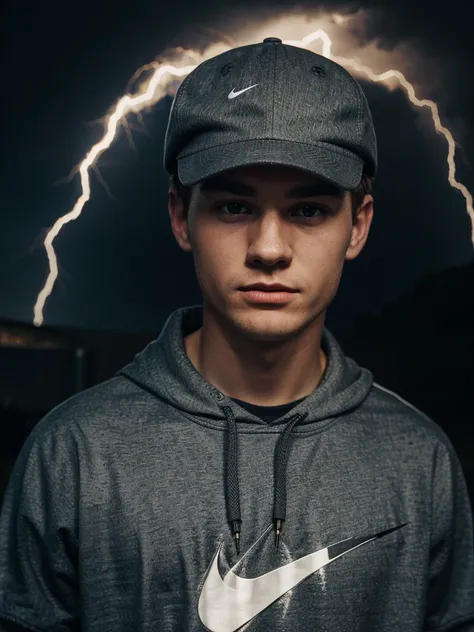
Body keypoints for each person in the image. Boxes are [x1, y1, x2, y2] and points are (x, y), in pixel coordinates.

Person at [0, 37, 473, 632]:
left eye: (308, 211)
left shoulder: (419, 461)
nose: (268, 250)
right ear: (180, 216)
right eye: (232, 208)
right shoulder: (71, 456)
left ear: (358, 226)